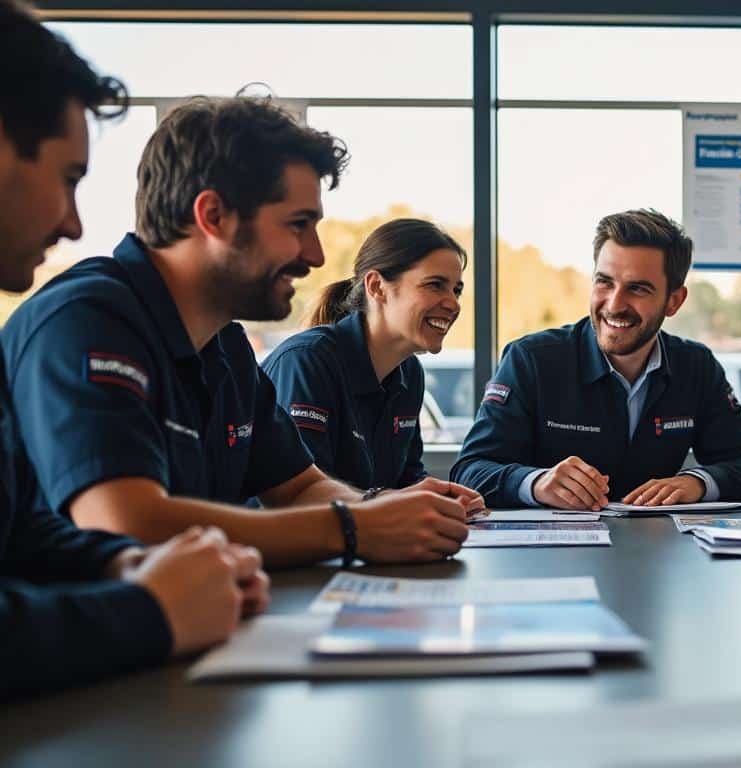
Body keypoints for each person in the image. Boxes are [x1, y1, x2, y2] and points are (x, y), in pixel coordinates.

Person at [1, 95, 470, 568]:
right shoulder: (88, 319)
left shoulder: (225, 344)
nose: (315, 256)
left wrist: (380, 511)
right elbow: (125, 522)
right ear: (213, 217)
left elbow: (300, 487)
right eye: (298, 225)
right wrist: (353, 529)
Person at [0, 0, 266, 697]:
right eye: (67, 178)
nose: (72, 220)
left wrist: (126, 568)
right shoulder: (84, 315)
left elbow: (22, 536)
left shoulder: (230, 347)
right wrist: (146, 611)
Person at [451, 209, 741, 510]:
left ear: (674, 301)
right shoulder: (532, 359)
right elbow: (470, 470)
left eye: (637, 289)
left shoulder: (695, 366)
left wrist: (696, 483)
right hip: (551, 558)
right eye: (604, 282)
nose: (614, 304)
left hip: (658, 556)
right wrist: (536, 483)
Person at [263, 218, 483, 510]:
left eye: (456, 290)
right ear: (377, 287)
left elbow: (407, 477)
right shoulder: (307, 361)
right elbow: (301, 495)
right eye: (435, 285)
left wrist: (442, 498)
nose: (453, 304)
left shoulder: (409, 372)